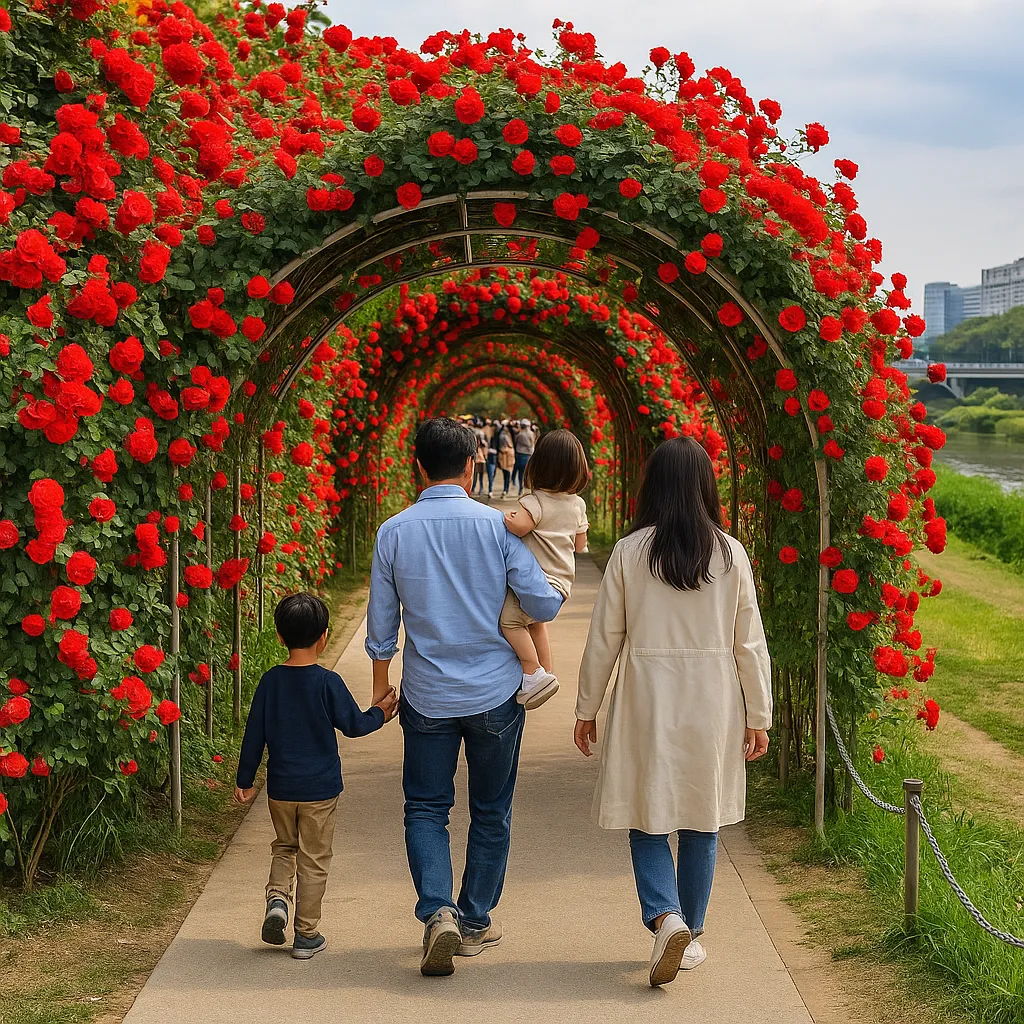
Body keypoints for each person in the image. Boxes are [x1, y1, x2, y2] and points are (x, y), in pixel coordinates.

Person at [365, 417, 563, 977]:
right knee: (491, 808)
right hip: (495, 694)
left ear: (419, 468)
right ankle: (475, 919)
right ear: (473, 465)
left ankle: (436, 913)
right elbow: (543, 606)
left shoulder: (394, 532)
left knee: (426, 807)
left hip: (427, 695)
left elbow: (382, 624)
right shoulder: (497, 529)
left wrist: (381, 687)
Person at [573, 436, 771, 988]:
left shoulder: (630, 552)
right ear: (706, 486)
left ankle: (666, 917)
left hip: (647, 696)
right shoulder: (730, 553)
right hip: (713, 696)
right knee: (700, 816)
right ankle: (690, 931)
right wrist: (760, 715)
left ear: (652, 486)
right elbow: (750, 643)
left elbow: (603, 640)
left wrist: (586, 708)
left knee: (647, 812)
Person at [234, 593, 399, 960]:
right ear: (324, 636)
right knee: (314, 858)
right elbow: (354, 725)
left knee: (285, 847)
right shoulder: (328, 682)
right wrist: (380, 713)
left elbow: (253, 734)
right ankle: (306, 934)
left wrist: (245, 780)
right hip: (320, 790)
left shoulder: (270, 682)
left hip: (281, 788)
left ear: (280, 636)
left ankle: (278, 899)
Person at [501, 429, 590, 710]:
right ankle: (547, 672)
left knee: (511, 622)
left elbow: (519, 527)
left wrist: (508, 517)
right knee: (536, 623)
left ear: (538, 465)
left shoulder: (535, 501)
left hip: (535, 582)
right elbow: (580, 544)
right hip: (561, 587)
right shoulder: (577, 505)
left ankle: (532, 671)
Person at [511, 418, 535, 495]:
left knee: (520, 473)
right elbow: (532, 444)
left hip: (519, 455)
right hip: (528, 455)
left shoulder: (519, 434)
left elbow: (515, 443)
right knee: (528, 474)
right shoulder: (531, 434)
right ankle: (527, 488)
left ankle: (521, 488)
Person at [496, 420, 515, 497]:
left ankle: (505, 489)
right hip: (508, 456)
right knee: (507, 474)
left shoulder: (499, 435)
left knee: (505, 474)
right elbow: (511, 445)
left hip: (502, 455)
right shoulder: (507, 436)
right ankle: (505, 489)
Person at [471, 418, 487, 496]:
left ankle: (474, 488)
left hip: (476, 457)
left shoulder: (473, 432)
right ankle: (480, 488)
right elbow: (485, 445)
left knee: (475, 475)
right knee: (480, 475)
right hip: (481, 457)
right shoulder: (481, 433)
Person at [485, 419, 499, 499]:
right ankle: (490, 490)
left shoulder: (494, 435)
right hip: (492, 457)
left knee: (491, 475)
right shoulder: (491, 434)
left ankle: (490, 490)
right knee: (491, 475)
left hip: (490, 456)